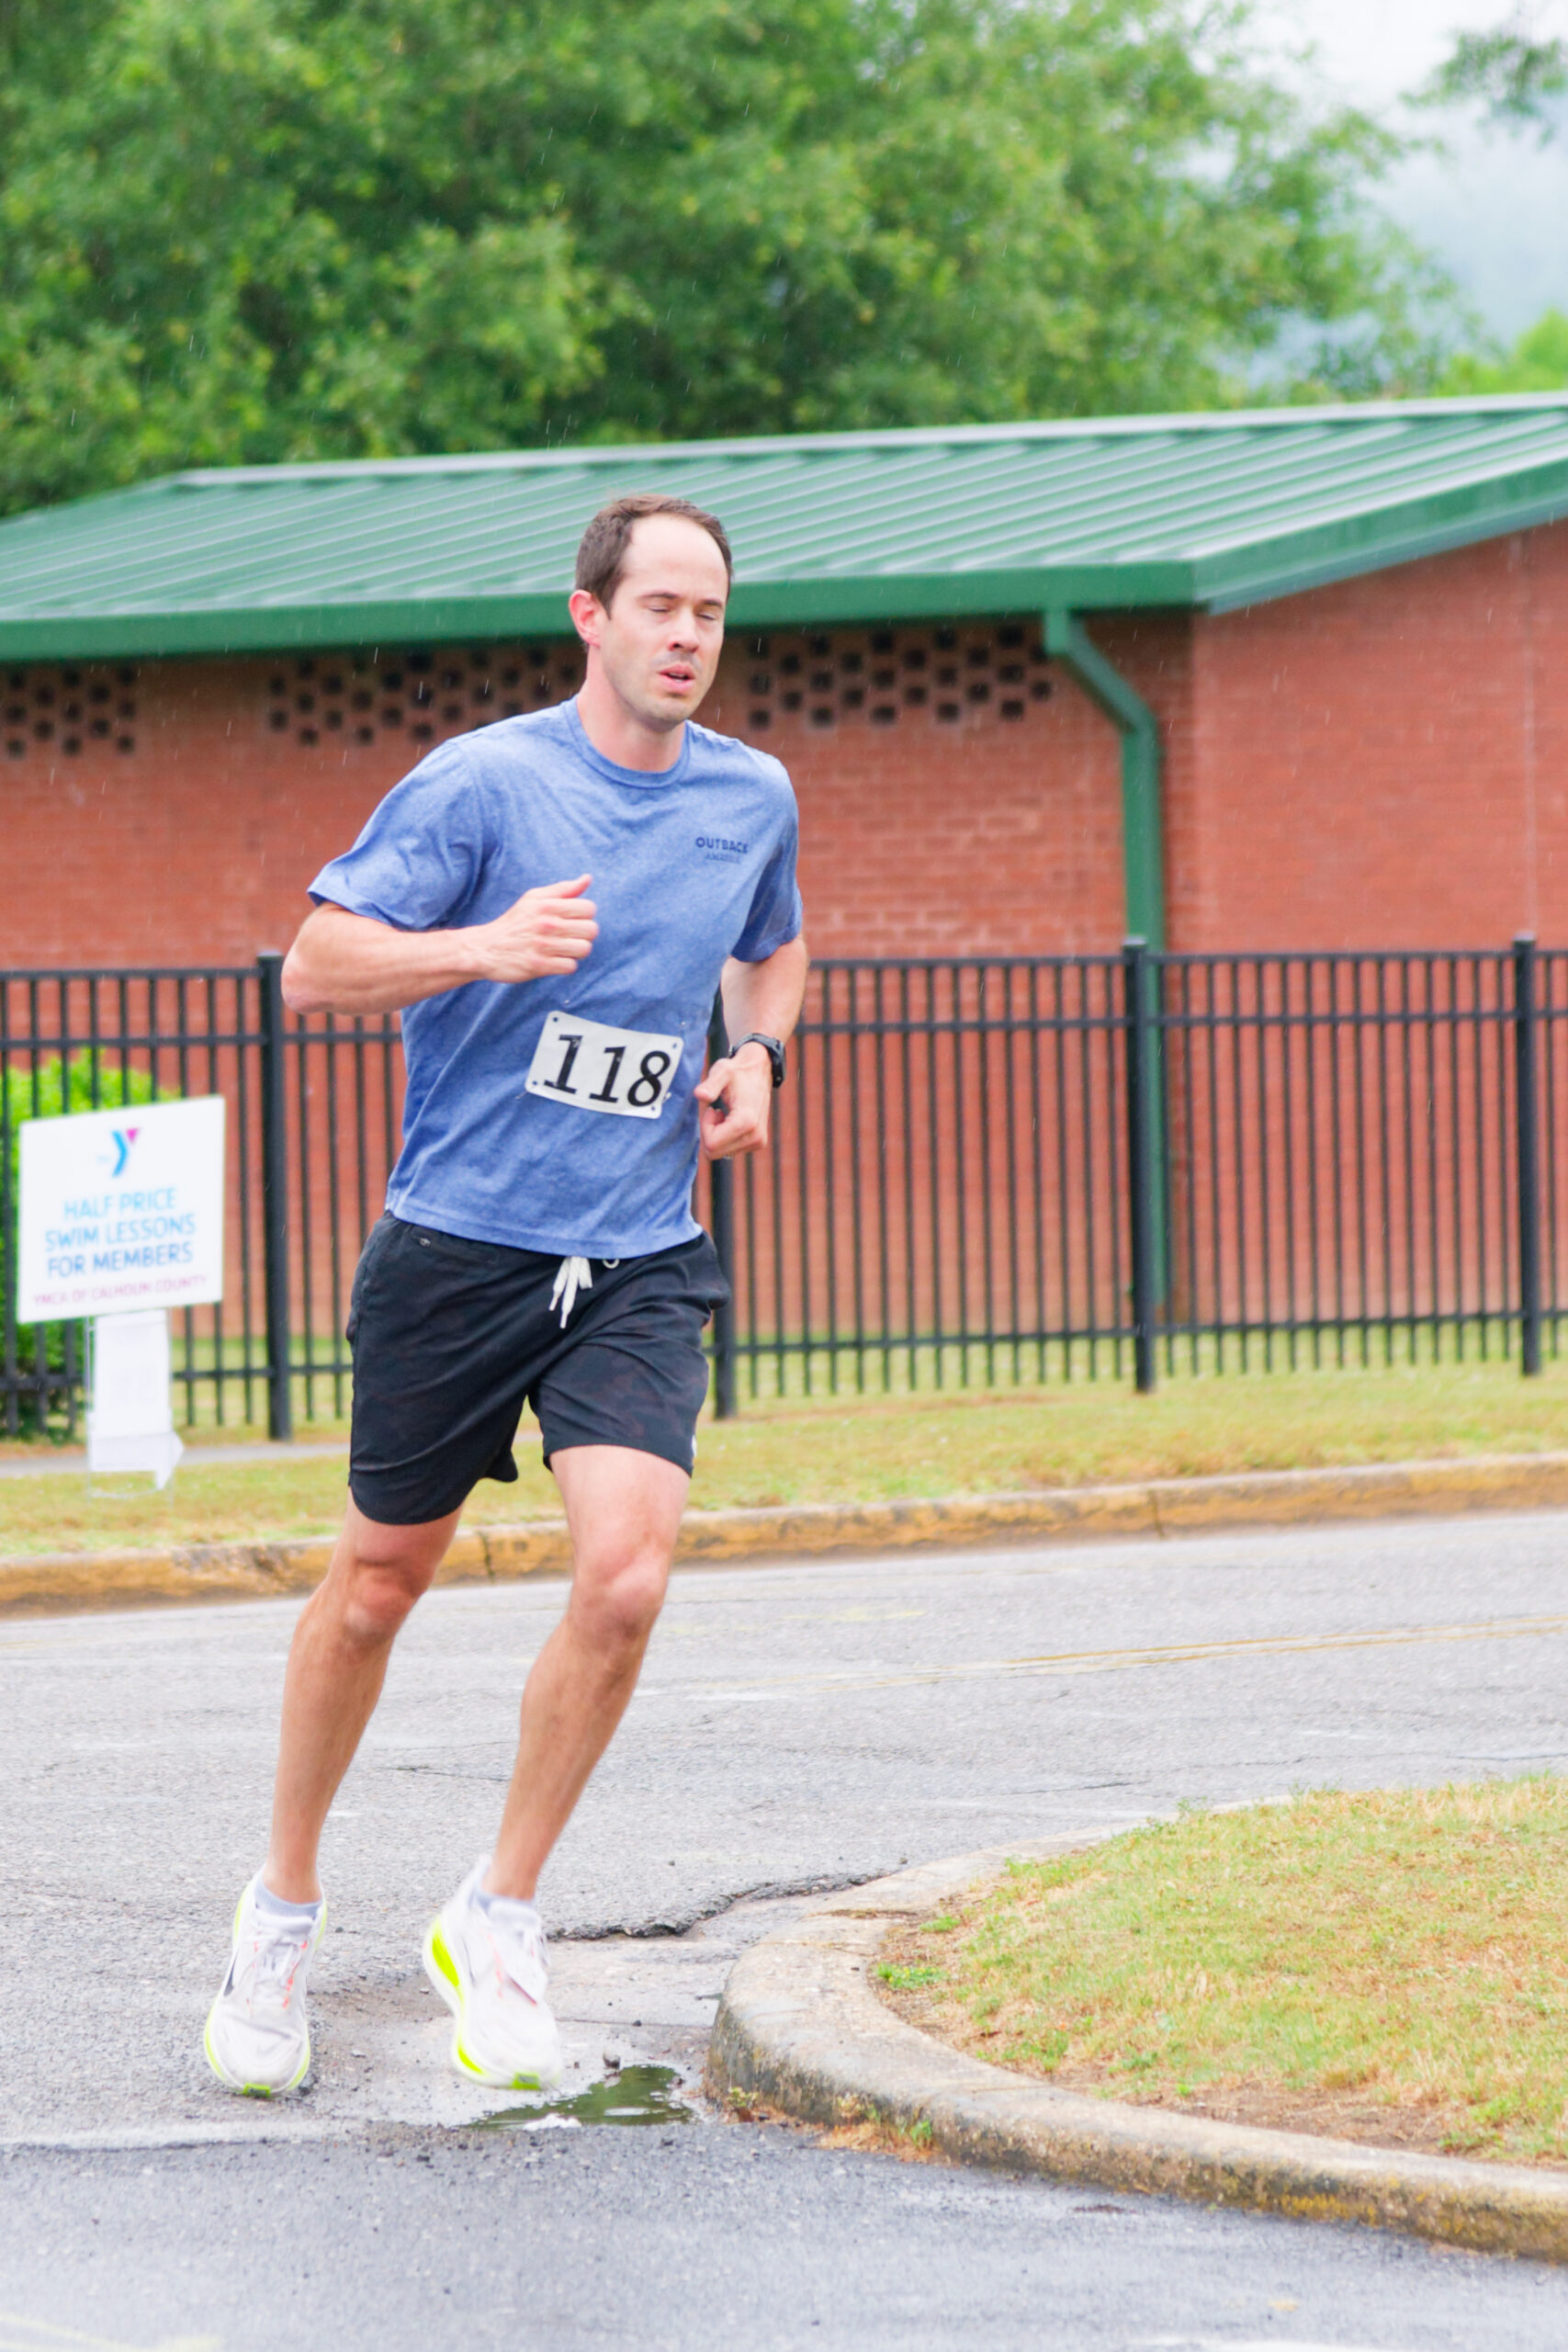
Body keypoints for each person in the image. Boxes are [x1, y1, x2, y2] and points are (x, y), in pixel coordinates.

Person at [204, 492, 807, 2098]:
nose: (689, 635)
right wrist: (484, 948)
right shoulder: (487, 781)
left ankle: (501, 1911)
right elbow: (315, 965)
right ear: (590, 617)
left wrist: (752, 1055)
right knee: (380, 1584)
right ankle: (280, 1912)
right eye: (661, 606)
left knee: (625, 1578)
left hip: (639, 1253)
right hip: (459, 1247)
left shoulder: (752, 797)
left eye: (711, 613)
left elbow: (772, 951)